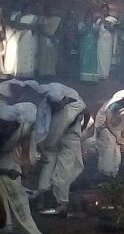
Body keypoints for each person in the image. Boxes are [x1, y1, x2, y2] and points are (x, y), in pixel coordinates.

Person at [0, 104, 42, 234]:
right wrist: (6, 172)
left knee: (19, 200)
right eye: (1, 125)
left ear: (15, 125)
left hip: (11, 165)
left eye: (7, 126)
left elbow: (25, 154)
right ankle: (4, 230)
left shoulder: (23, 129)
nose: (3, 129)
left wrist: (25, 171)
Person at [37, 85, 87, 215]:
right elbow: (40, 130)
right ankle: (56, 200)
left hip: (70, 136)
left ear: (64, 100)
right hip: (51, 139)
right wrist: (42, 149)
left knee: (65, 168)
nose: (57, 108)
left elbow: (86, 112)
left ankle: (57, 197)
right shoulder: (44, 107)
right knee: (54, 165)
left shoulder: (74, 103)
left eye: (59, 105)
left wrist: (82, 128)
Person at [94, 89, 124, 176]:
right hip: (105, 126)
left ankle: (114, 173)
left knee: (116, 149)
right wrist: (117, 136)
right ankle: (105, 173)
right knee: (108, 148)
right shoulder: (114, 105)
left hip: (116, 126)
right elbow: (108, 122)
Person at [97, 12, 116, 81]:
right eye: (102, 10)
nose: (104, 12)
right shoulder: (98, 20)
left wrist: (106, 23)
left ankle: (105, 74)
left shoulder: (112, 20)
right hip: (100, 40)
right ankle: (99, 73)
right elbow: (96, 29)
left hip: (108, 40)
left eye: (105, 10)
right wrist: (100, 22)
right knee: (100, 56)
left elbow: (113, 30)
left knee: (107, 57)